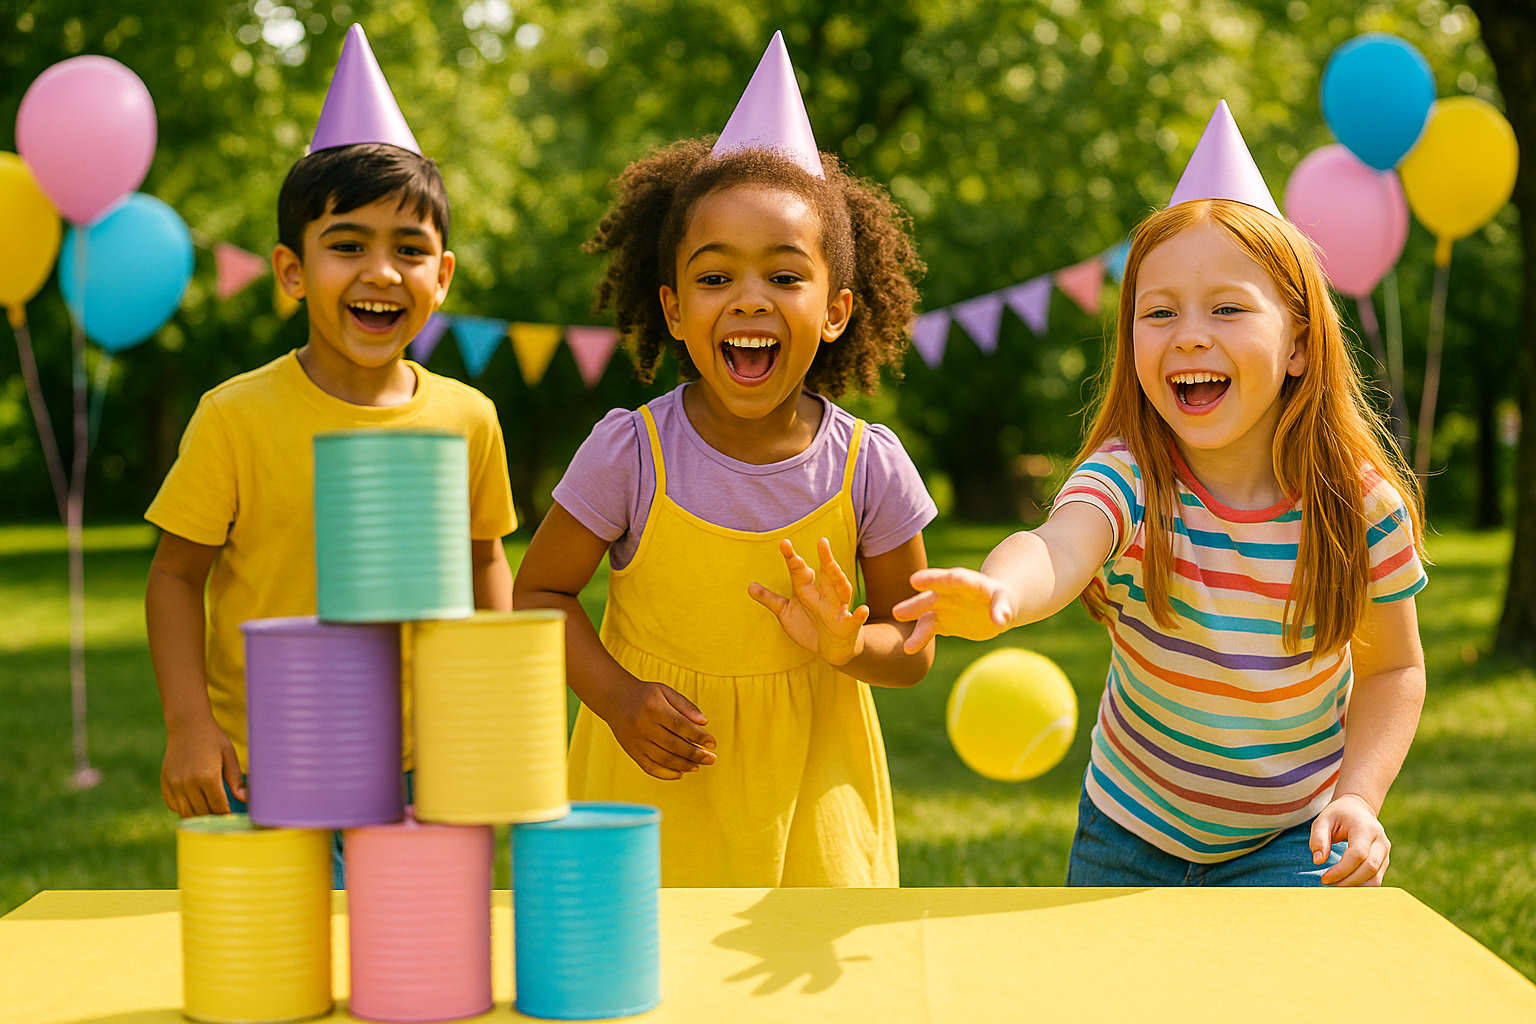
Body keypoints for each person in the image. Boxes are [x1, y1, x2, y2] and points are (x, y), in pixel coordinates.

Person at [896, 102, 1427, 888]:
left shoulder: (1359, 507)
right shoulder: (1129, 478)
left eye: (1228, 308)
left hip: (1293, 835)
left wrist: (1359, 797)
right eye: (1159, 312)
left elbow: (1392, 670)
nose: (1189, 334)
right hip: (1128, 830)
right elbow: (1056, 546)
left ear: (1299, 344)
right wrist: (1002, 592)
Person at [513, 34, 936, 887]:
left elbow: (912, 644)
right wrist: (618, 698)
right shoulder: (629, 454)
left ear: (836, 310)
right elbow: (539, 594)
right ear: (673, 309)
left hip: (813, 796)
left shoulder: (870, 467)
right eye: (715, 280)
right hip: (650, 792)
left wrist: (849, 645)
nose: (748, 299)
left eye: (784, 277)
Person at [144, 27, 515, 840]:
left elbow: (485, 557)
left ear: (442, 277)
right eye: (347, 246)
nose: (380, 272)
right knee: (285, 926)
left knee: (411, 923)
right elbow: (174, 575)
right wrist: (189, 722)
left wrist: (490, 715)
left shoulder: (468, 417)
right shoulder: (235, 416)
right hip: (268, 760)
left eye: (409, 250)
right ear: (291, 271)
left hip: (425, 761)